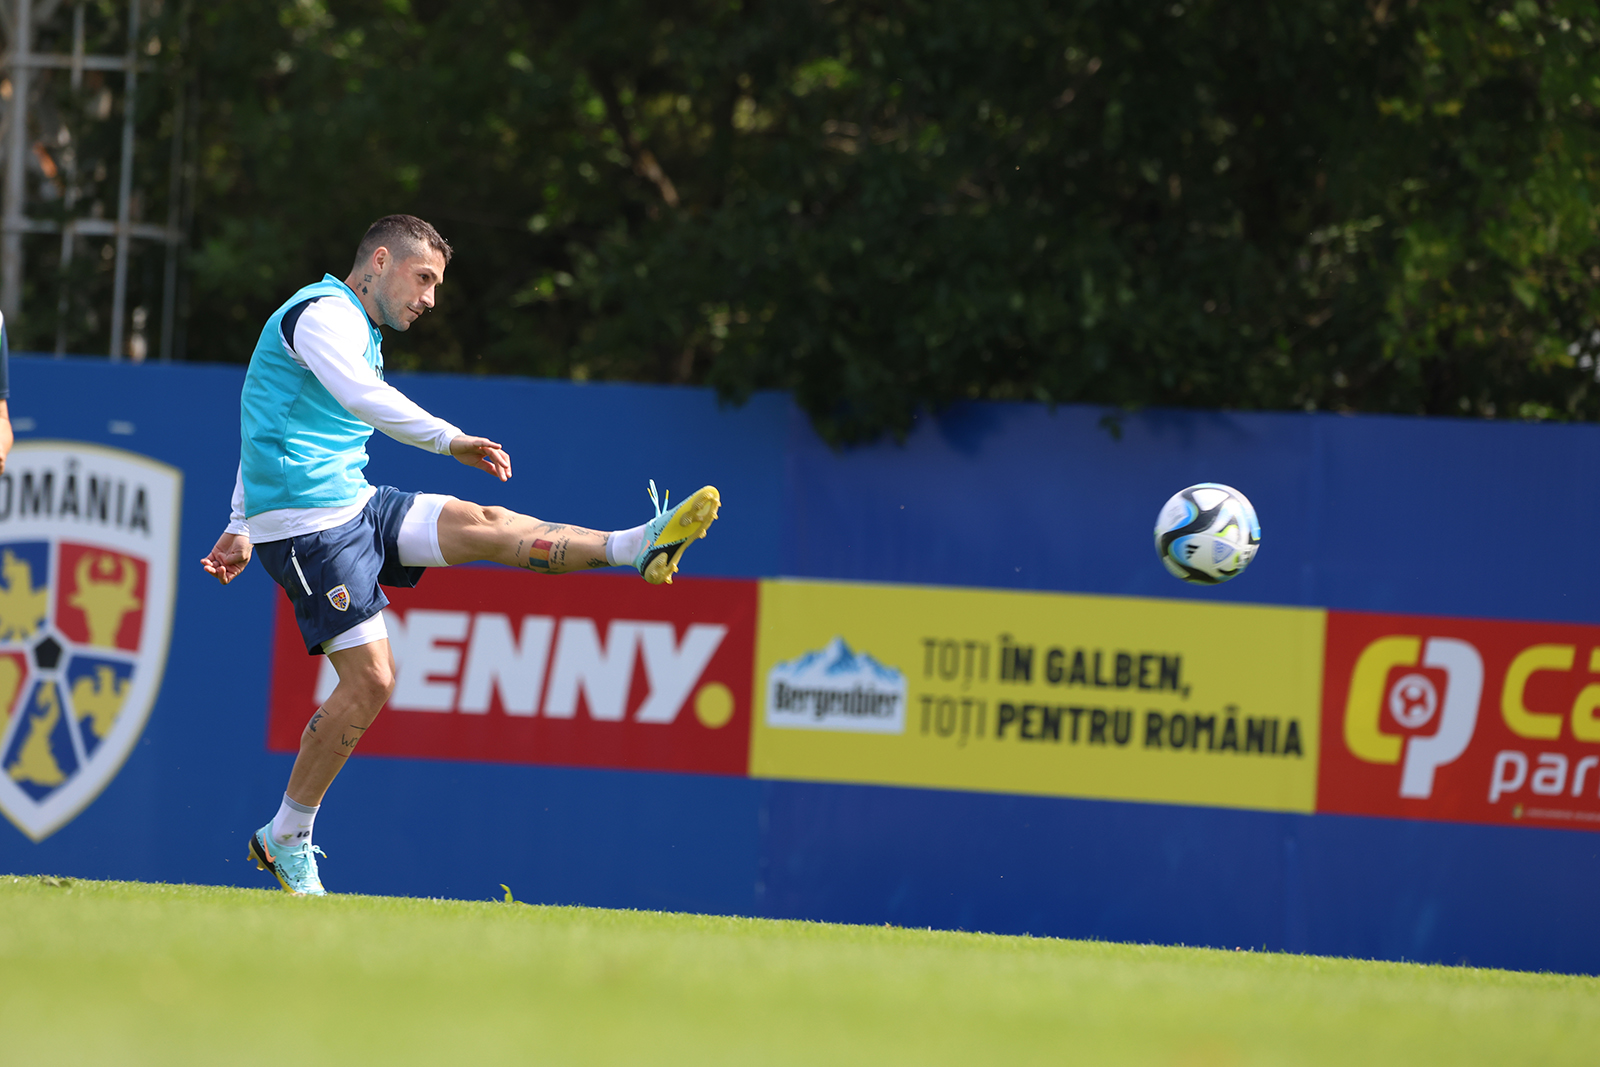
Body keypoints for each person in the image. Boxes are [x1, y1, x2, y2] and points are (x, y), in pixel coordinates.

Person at [201, 215, 720, 896]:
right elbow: (363, 398)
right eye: (423, 278)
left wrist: (238, 521)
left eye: (436, 285)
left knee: (488, 523)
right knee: (372, 681)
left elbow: (265, 417)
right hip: (307, 530)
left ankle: (635, 544)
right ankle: (286, 836)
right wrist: (450, 440)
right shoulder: (323, 314)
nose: (429, 299)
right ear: (379, 261)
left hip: (352, 502)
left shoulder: (356, 325)